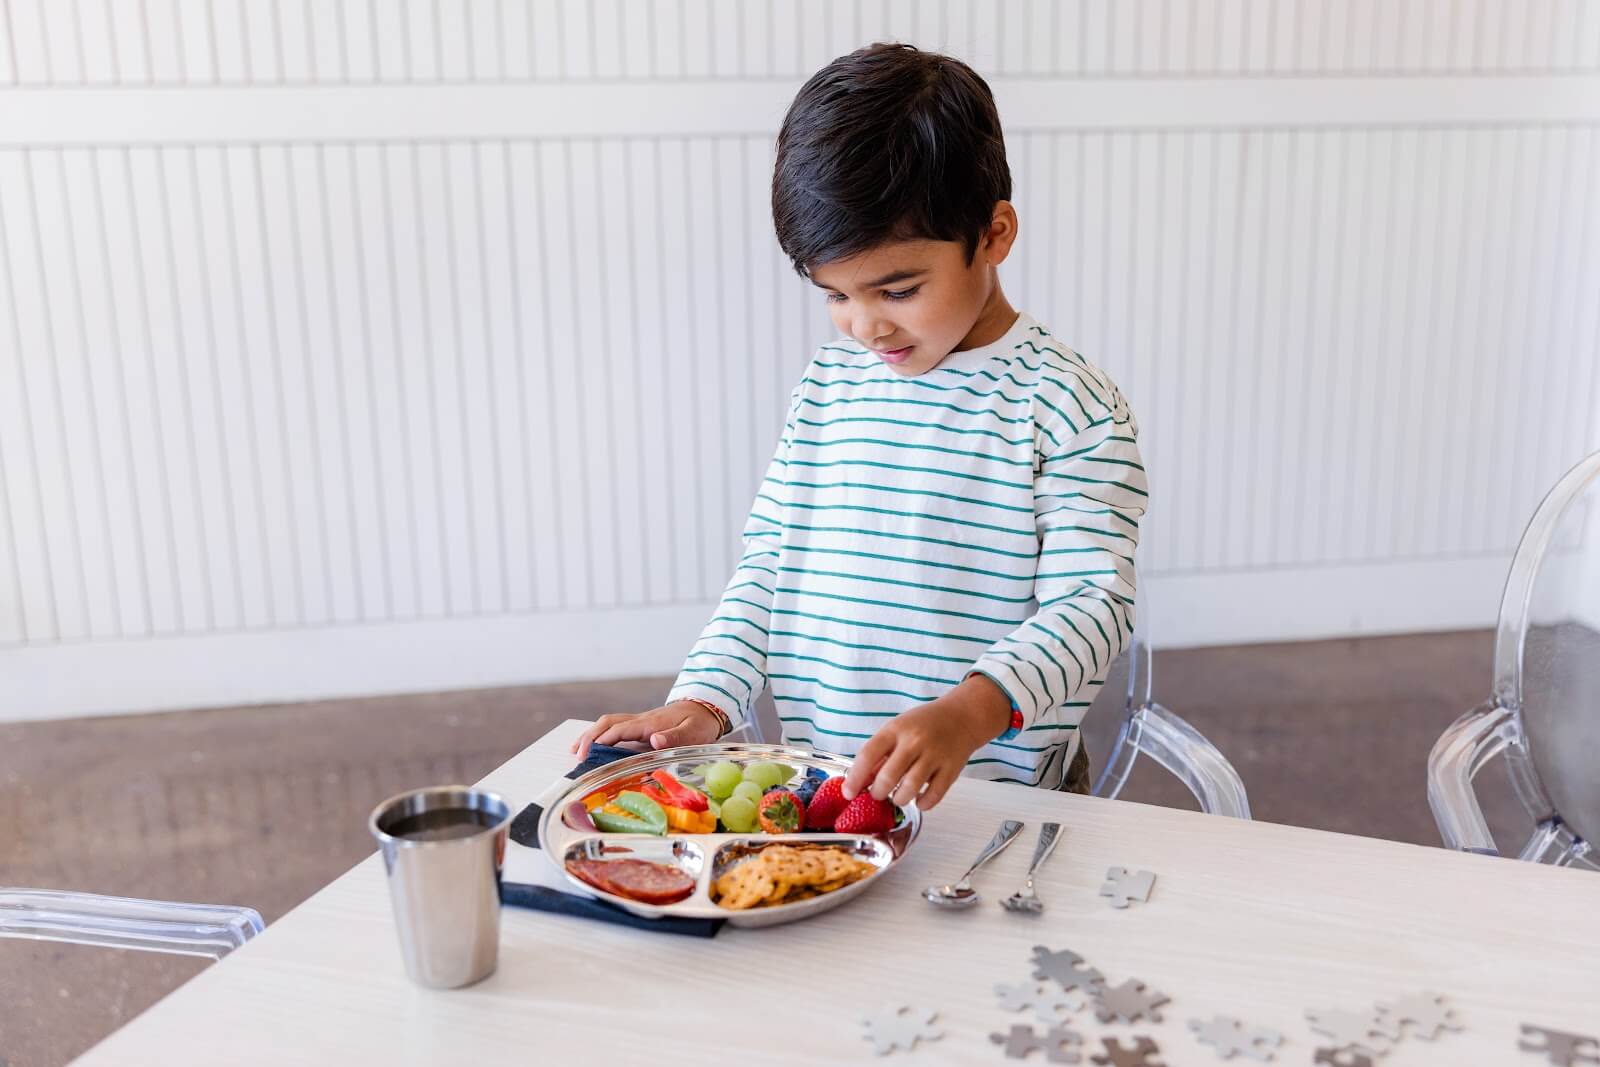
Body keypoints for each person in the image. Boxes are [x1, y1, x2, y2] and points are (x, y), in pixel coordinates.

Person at [573, 43, 1146, 811]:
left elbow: (1090, 606)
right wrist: (707, 700)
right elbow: (769, 566)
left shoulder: (1068, 405)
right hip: (832, 793)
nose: (865, 325)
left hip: (993, 802)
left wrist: (967, 712)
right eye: (834, 295)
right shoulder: (831, 384)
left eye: (897, 288)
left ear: (994, 234)